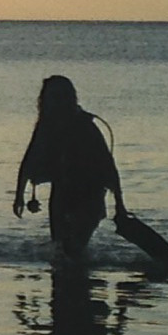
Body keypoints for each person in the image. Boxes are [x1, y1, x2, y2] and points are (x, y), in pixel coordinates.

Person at [12, 74, 128, 262]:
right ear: (45, 100)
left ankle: (81, 282)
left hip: (90, 194)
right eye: (53, 97)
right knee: (60, 249)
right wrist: (19, 196)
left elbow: (108, 166)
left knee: (73, 248)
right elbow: (29, 160)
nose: (58, 101)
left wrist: (120, 205)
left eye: (62, 96)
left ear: (71, 98)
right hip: (62, 193)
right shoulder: (45, 127)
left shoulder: (85, 126)